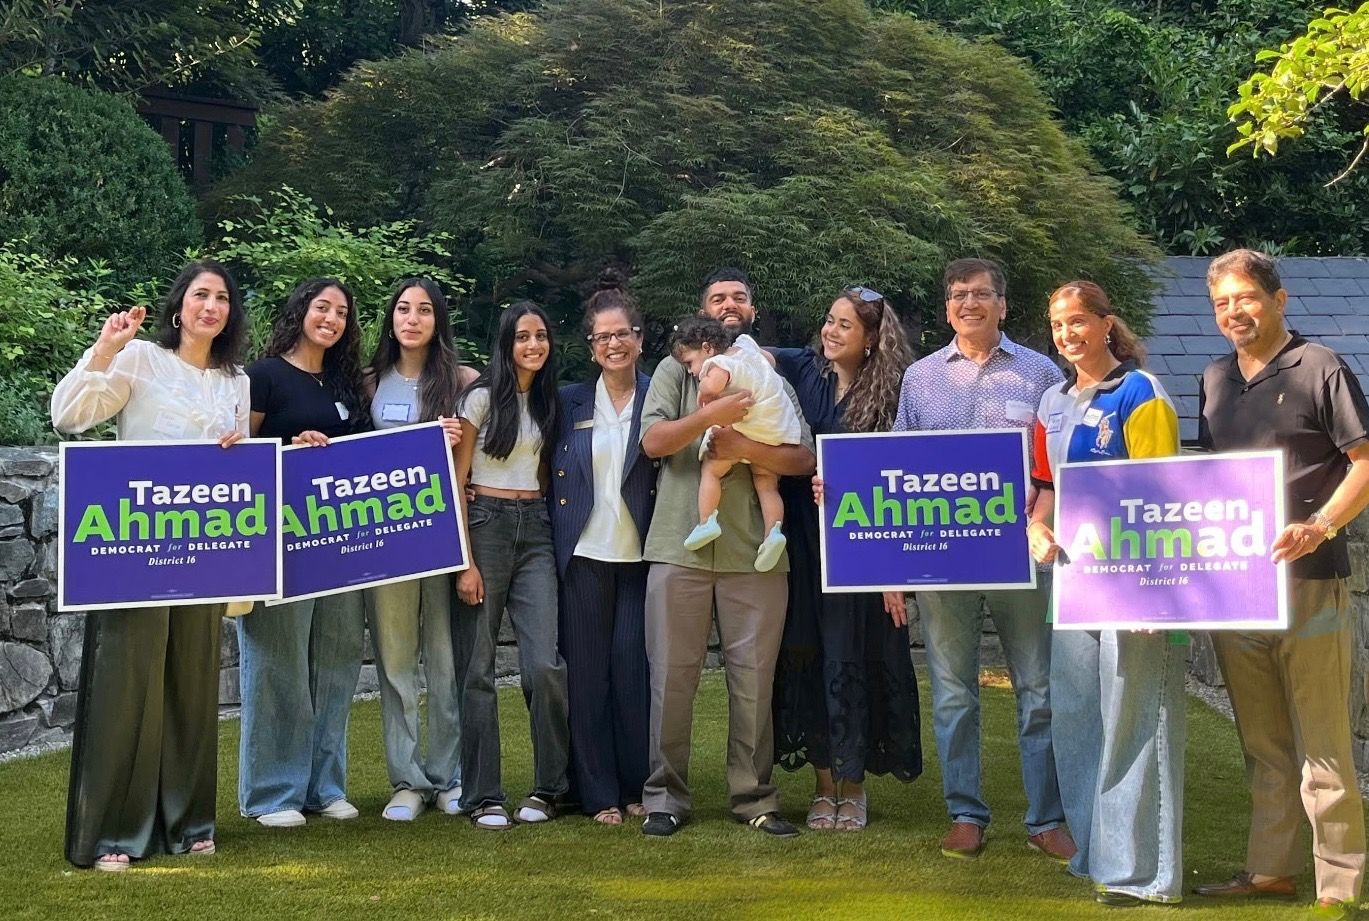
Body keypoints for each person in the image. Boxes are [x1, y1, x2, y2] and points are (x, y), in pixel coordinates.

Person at [54, 260, 249, 871]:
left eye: (221, 298)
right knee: (128, 684)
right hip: (136, 544)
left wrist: (236, 451)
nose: (210, 306)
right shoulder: (139, 357)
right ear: (179, 305)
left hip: (206, 546)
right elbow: (70, 416)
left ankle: (189, 821)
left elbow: (240, 462)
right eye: (200, 295)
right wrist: (105, 349)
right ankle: (114, 830)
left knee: (192, 684)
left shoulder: (236, 380)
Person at [1192, 249, 1368, 919]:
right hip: (1238, 588)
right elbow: (1203, 484)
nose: (1233, 311)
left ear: (1278, 298)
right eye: (1220, 303)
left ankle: (1338, 883)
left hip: (1311, 581)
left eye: (1244, 297)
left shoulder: (1320, 366)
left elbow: (1363, 460)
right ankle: (1268, 871)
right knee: (1262, 742)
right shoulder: (1211, 379)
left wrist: (1319, 525)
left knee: (1321, 739)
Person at [889, 257, 1074, 862]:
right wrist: (838, 490)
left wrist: (1040, 522)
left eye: (982, 294)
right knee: (951, 691)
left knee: (1039, 688)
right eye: (959, 295)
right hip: (942, 560)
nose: (969, 303)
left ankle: (1046, 818)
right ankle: (966, 813)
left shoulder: (1042, 374)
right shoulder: (918, 379)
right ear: (948, 308)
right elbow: (893, 474)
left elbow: (1055, 466)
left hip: (1023, 555)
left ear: (1001, 304)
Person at [638, 267, 816, 839]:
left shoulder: (768, 372)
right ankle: (665, 796)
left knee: (755, 679)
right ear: (702, 309)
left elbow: (803, 458)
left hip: (757, 553)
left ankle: (755, 797)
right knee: (670, 676)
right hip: (678, 545)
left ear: (752, 310)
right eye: (717, 296)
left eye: (739, 296)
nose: (729, 304)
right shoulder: (674, 368)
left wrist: (744, 445)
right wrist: (712, 416)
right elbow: (654, 442)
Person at [1025, 281, 1186, 906]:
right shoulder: (1052, 401)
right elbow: (1047, 490)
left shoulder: (1139, 393)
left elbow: (1164, 495)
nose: (1067, 334)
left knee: (1134, 721)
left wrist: (1153, 593)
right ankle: (1096, 855)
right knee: (1077, 722)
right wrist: (1036, 526)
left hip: (1134, 584)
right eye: (1058, 324)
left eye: (1078, 321)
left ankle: (1141, 873)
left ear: (1105, 323)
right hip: (1071, 582)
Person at [771, 285, 922, 832]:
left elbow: (905, 476)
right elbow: (747, 351)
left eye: (844, 326)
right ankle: (822, 786)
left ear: (872, 338)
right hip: (803, 544)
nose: (831, 332)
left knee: (854, 654)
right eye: (829, 321)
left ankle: (853, 787)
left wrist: (893, 573)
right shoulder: (802, 370)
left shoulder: (896, 392)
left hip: (863, 549)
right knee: (808, 654)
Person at [238, 277, 371, 828]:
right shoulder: (262, 376)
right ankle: (272, 794)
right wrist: (288, 448)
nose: (332, 319)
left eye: (341, 312)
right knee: (277, 665)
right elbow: (238, 454)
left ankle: (324, 786)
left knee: (336, 663)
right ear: (299, 311)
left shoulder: (345, 385)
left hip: (338, 546)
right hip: (278, 546)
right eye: (322, 307)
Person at [362, 278, 478, 821]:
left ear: (438, 320)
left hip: (443, 537)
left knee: (445, 658)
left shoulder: (463, 381)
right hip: (385, 544)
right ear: (391, 319)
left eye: (424, 310)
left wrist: (461, 451)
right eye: (403, 309)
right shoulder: (366, 383)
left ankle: (448, 776)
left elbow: (484, 453)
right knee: (395, 661)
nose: (412, 318)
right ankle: (406, 780)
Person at [450, 301, 569, 830]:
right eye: (523, 337)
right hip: (485, 527)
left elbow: (543, 471)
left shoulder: (547, 401)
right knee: (476, 669)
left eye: (540, 336)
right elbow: (456, 479)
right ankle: (484, 796)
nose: (533, 346)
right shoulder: (479, 399)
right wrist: (464, 562)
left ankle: (550, 788)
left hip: (536, 527)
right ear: (506, 343)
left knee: (544, 665)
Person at [548, 270, 657, 825]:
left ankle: (638, 785)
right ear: (590, 347)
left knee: (631, 673)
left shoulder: (660, 396)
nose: (614, 344)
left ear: (640, 338)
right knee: (588, 679)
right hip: (584, 557)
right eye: (603, 337)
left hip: (641, 559)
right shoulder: (567, 402)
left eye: (624, 334)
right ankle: (598, 795)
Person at [669, 316, 800, 571]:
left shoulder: (719, 363)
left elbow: (714, 384)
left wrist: (704, 392)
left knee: (711, 468)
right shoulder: (748, 347)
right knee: (766, 483)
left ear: (707, 348)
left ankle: (707, 521)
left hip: (749, 427)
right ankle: (773, 532)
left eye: (690, 363)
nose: (690, 371)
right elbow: (767, 360)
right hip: (776, 429)